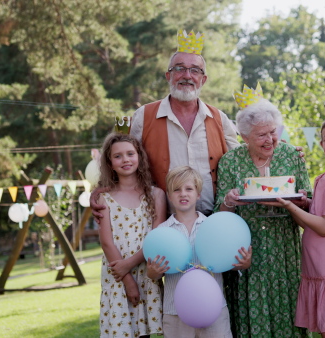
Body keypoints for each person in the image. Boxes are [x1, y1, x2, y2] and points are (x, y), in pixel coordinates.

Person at [90, 30, 240, 217]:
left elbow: (241, 161)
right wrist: (103, 187)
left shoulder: (219, 118)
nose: (187, 75)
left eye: (195, 70)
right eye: (179, 68)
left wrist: (271, 153)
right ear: (168, 76)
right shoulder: (144, 116)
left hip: (214, 219)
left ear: (203, 80)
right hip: (161, 221)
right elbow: (121, 158)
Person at [215, 97, 311, 337]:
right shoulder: (230, 162)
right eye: (261, 135)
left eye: (272, 132)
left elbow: (308, 207)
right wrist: (229, 200)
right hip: (247, 250)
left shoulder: (291, 156)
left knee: (289, 308)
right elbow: (220, 215)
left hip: (285, 249)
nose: (270, 140)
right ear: (245, 137)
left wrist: (300, 202)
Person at [262, 115, 325, 337]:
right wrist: (302, 203)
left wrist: (290, 206)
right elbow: (315, 215)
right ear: (321, 144)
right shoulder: (323, 178)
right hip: (316, 264)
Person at [147, 166, 252, 338]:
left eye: (189, 189)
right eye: (176, 189)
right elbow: (155, 272)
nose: (183, 194)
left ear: (198, 194)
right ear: (169, 196)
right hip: (176, 311)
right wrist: (153, 273)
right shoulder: (162, 232)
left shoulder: (213, 227)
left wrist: (243, 263)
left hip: (213, 307)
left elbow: (227, 262)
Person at [97, 133, 167, 337]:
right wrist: (127, 278)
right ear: (110, 163)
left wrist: (130, 263)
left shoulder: (156, 195)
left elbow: (156, 236)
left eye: (130, 154)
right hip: (117, 275)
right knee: (124, 330)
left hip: (147, 271)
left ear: (140, 157)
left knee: (146, 330)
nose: (125, 159)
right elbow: (107, 243)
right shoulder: (104, 197)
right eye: (118, 156)